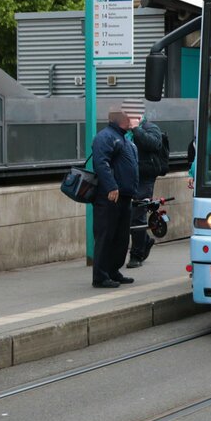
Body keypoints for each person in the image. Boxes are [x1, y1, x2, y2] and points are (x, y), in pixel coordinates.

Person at [91, 105, 140, 288]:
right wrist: (111, 186)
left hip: (124, 195)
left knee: (120, 237)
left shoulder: (122, 137)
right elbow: (101, 163)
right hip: (110, 196)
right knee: (106, 235)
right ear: (119, 119)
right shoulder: (106, 137)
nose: (132, 118)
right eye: (129, 116)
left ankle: (113, 270)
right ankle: (100, 276)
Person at [127, 111, 168, 269]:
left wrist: (137, 129)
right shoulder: (125, 132)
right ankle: (144, 241)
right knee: (131, 215)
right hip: (128, 177)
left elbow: (153, 144)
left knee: (137, 214)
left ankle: (136, 255)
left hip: (145, 176)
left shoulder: (150, 127)